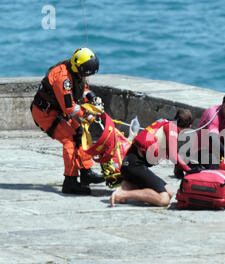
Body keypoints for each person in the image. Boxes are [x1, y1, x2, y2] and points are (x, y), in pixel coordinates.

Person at [30, 47, 105, 195]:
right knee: (69, 140)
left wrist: (92, 98)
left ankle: (86, 172)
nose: (86, 75)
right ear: (79, 67)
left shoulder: (77, 72)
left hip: (56, 110)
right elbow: (69, 108)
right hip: (45, 113)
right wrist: (87, 114)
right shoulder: (62, 78)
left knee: (80, 133)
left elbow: (82, 89)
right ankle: (70, 182)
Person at [109, 109, 193, 207]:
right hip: (134, 166)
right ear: (188, 127)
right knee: (164, 199)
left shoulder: (165, 122)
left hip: (130, 164)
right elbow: (173, 155)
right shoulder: (172, 128)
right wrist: (189, 170)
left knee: (169, 192)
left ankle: (127, 186)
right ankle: (122, 194)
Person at [193, 91, 225, 170]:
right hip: (204, 149)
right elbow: (213, 139)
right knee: (217, 168)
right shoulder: (213, 114)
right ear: (222, 104)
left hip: (223, 148)